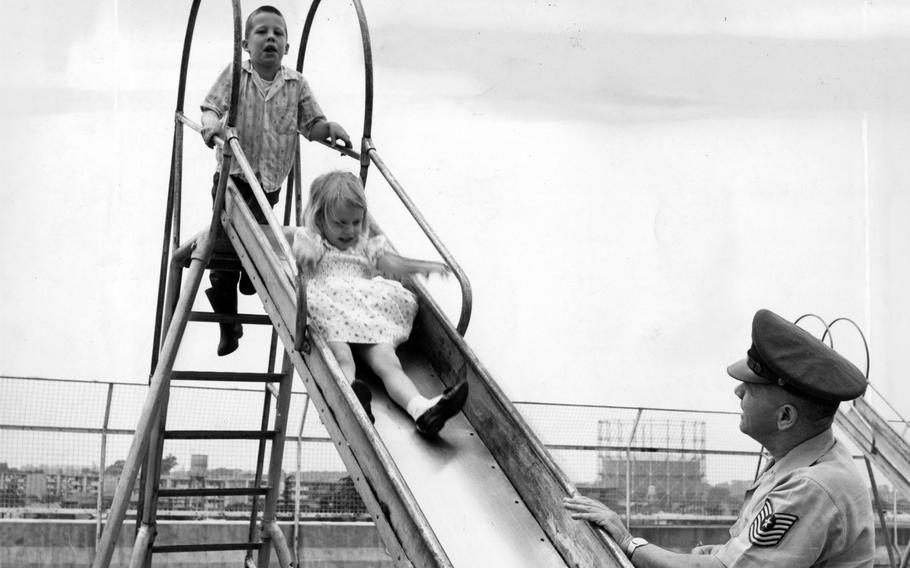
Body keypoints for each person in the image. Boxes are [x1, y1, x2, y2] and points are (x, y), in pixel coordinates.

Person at [564, 308, 875, 567]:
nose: (738, 392)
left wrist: (627, 541)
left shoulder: (809, 488)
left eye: (751, 389)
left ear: (785, 417)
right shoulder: (812, 460)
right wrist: (723, 552)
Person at [200, 5, 351, 356]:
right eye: (261, 32)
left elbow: (312, 124)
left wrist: (328, 129)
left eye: (278, 33)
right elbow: (210, 106)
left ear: (286, 47)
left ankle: (250, 275)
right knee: (224, 255)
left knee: (259, 241)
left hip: (268, 185)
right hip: (233, 180)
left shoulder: (296, 84)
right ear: (245, 43)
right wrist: (211, 124)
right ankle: (229, 323)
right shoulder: (237, 74)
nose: (270, 37)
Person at [292, 170, 469, 437]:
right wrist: (305, 255)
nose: (349, 230)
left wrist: (422, 266)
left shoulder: (365, 246)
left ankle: (422, 409)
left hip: (366, 313)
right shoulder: (314, 240)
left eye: (355, 222)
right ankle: (353, 397)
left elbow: (393, 263)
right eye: (340, 223)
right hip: (331, 309)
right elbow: (301, 248)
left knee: (388, 360)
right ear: (319, 217)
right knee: (341, 356)